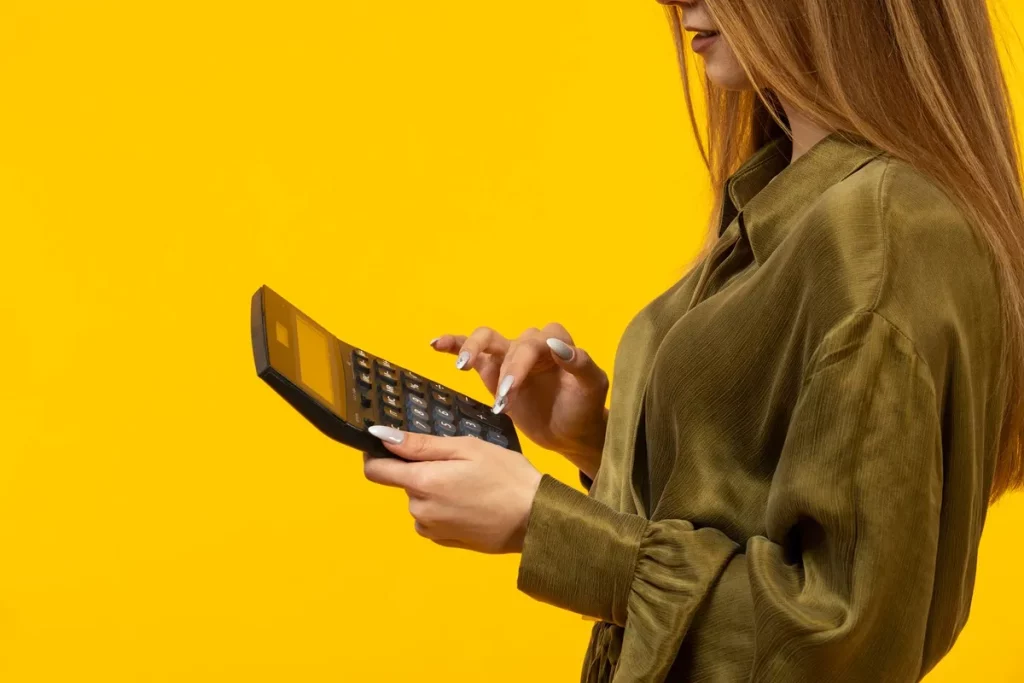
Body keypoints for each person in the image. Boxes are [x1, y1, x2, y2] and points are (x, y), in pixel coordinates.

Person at [362, 0, 1024, 679]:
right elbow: (750, 504)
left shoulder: (883, 239)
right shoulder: (788, 200)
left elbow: (839, 643)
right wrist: (598, 439)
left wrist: (546, 526)